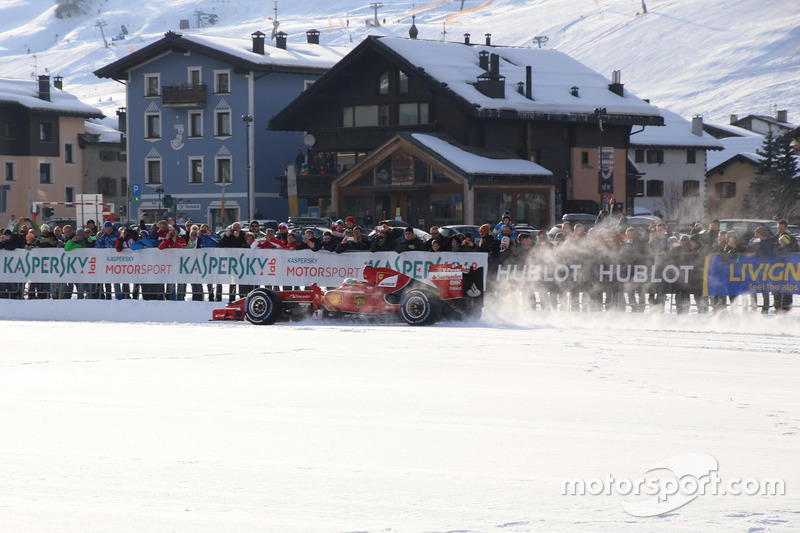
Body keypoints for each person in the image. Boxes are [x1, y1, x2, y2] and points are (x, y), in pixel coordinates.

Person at [195, 224, 221, 302]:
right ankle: (210, 295)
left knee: (218, 279)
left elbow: (219, 241)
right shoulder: (201, 238)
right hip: (205, 261)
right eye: (203, 230)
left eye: (206, 230)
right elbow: (195, 246)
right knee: (208, 279)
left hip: (216, 260)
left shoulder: (214, 235)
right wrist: (198, 236)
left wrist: (210, 235)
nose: (205, 232)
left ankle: (219, 296)